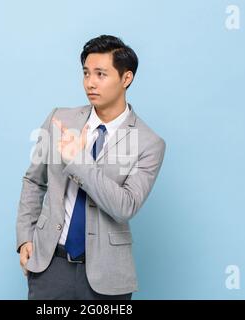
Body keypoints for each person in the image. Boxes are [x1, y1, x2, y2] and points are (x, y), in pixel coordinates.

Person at [16, 35, 166, 300]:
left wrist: (78, 159)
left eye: (100, 74)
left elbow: (125, 206)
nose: (90, 82)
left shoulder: (149, 143)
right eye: (86, 73)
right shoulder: (59, 119)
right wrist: (25, 237)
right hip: (50, 266)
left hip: (109, 275)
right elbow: (34, 181)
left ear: (126, 78)